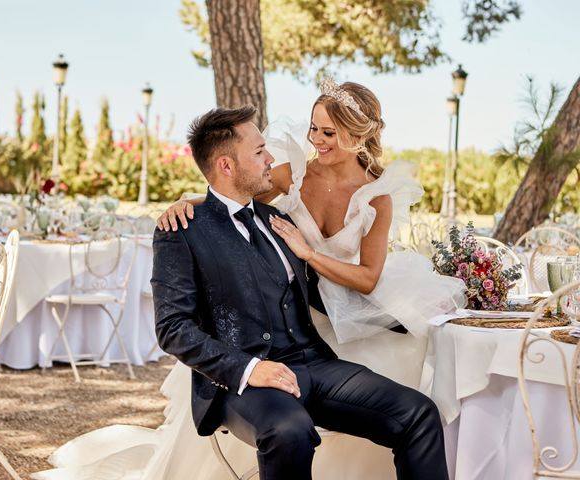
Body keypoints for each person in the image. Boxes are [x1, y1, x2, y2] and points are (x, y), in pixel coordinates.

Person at [33, 82, 463, 480]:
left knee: (419, 413)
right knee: (289, 430)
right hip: (242, 376)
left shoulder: (278, 220)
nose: (275, 160)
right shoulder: (184, 230)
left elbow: (341, 282)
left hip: (315, 359)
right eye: (261, 152)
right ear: (226, 163)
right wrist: (252, 368)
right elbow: (173, 329)